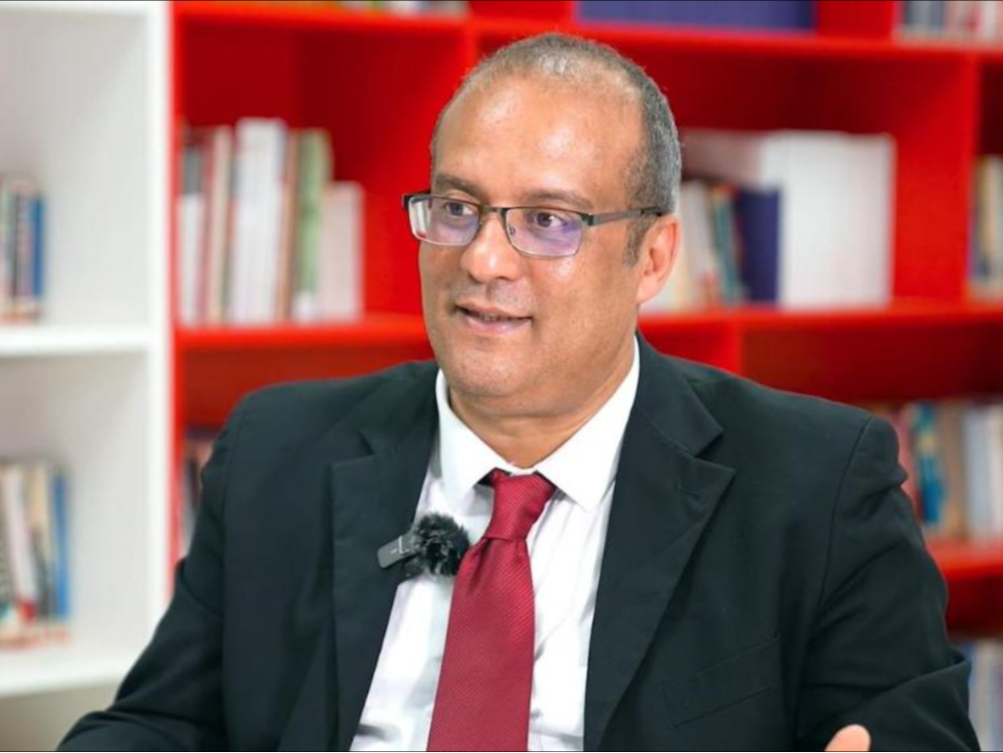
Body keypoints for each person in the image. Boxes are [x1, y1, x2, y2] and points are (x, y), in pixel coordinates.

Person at [59, 32, 978, 752]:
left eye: (547, 220)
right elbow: (162, 722)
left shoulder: (815, 483)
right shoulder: (279, 451)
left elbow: (910, 728)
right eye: (457, 208)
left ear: (652, 256)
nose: (484, 260)